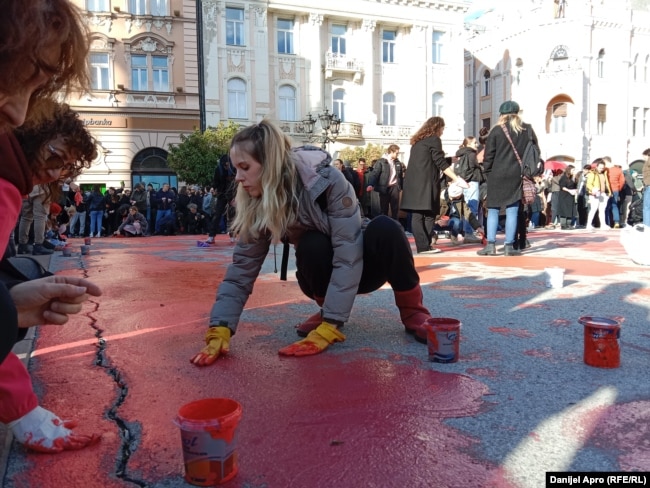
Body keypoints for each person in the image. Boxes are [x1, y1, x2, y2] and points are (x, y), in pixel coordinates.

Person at [190, 120, 436, 366]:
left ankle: (413, 311)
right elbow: (241, 270)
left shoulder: (327, 181)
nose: (238, 178)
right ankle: (326, 310)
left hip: (365, 268)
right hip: (319, 278)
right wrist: (220, 328)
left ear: (270, 164)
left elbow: (348, 253)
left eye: (244, 167)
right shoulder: (257, 201)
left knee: (387, 228)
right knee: (312, 243)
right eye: (236, 169)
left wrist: (332, 326)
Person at [1, 97, 102, 454]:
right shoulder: (6, 186)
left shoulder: (13, 180)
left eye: (66, 166)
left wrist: (10, 300)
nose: (57, 173)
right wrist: (22, 409)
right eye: (56, 157)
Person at [477, 100, 541, 256]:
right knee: (512, 210)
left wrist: (488, 172)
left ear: (501, 115)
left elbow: (488, 156)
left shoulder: (496, 131)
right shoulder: (527, 130)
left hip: (496, 175)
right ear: (517, 113)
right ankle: (508, 246)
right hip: (517, 175)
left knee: (493, 210)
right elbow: (536, 151)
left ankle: (491, 245)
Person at [400, 117, 469, 254]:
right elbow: (439, 163)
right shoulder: (434, 139)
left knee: (422, 213)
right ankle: (424, 246)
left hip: (415, 183)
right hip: (425, 182)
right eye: (442, 128)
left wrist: (449, 159)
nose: (443, 131)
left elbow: (430, 159)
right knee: (426, 213)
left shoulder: (418, 141)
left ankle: (425, 245)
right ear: (437, 127)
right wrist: (456, 178)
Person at [454, 136, 483, 244]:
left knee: (462, 208)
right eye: (474, 143)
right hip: (471, 182)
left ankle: (460, 232)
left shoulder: (459, 154)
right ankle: (469, 233)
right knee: (472, 207)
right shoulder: (471, 154)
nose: (476, 145)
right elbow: (473, 167)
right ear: (468, 144)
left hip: (461, 182)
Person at [366, 144, 405, 220]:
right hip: (384, 188)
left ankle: (395, 226)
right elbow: (375, 173)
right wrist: (370, 184)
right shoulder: (381, 162)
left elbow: (400, 176)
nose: (398, 155)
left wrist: (401, 187)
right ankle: (384, 226)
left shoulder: (397, 163)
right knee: (384, 208)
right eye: (396, 153)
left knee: (395, 209)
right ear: (391, 152)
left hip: (394, 187)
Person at [585, 159, 612, 231]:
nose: (601, 169)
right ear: (597, 167)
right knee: (593, 209)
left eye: (602, 168)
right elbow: (588, 184)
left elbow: (606, 183)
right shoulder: (592, 174)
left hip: (603, 194)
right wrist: (593, 190)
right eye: (600, 168)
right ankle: (588, 224)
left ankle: (603, 224)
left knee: (602, 210)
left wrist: (609, 192)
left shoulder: (604, 173)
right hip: (595, 194)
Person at [557, 165, 577, 229]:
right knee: (564, 210)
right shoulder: (563, 178)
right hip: (564, 195)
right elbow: (562, 186)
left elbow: (574, 185)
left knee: (570, 210)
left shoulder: (572, 178)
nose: (574, 171)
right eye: (573, 170)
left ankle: (569, 224)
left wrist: (575, 190)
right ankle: (563, 225)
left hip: (570, 196)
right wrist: (569, 190)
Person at [642, 148, 650, 228]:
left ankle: (647, 226)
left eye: (644, 156)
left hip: (649, 186)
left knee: (647, 207)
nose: (643, 158)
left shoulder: (648, 161)